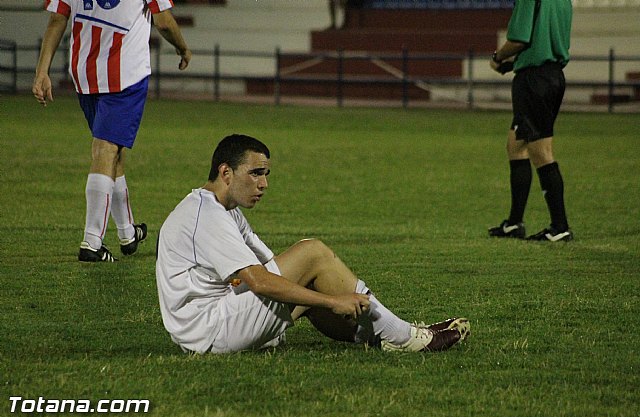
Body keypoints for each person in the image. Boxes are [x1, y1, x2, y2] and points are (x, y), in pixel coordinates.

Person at [156, 134, 470, 354]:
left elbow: (270, 267)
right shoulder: (205, 214)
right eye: (255, 174)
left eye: (266, 174)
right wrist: (333, 301)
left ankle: (384, 336)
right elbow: (259, 281)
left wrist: (321, 290)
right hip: (210, 332)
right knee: (313, 252)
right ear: (226, 172)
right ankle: (405, 336)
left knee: (308, 273)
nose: (264, 183)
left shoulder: (223, 209)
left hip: (215, 322)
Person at [33, 0, 192, 262]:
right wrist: (183, 48)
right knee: (106, 149)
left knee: (112, 150)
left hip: (85, 74)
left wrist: (42, 71)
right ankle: (92, 242)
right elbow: (163, 21)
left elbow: (57, 19)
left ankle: (127, 232)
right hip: (124, 75)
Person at [488, 0, 573, 242]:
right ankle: (514, 224)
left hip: (534, 81)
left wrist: (497, 57)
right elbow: (543, 42)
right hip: (552, 75)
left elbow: (519, 40)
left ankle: (560, 226)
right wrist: (513, 65)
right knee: (515, 145)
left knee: (540, 150)